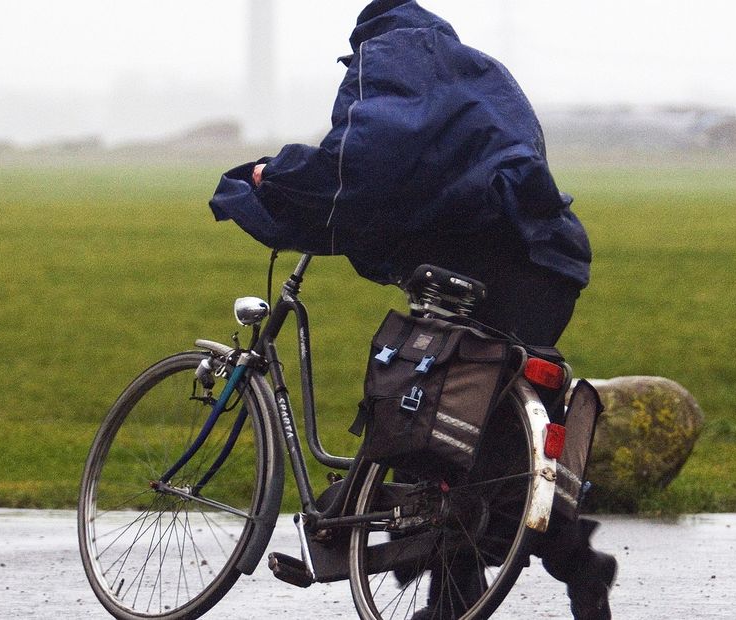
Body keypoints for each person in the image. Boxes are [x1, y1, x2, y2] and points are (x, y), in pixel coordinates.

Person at [210, 1, 616, 618]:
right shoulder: (478, 70)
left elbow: (362, 161)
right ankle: (553, 571)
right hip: (549, 262)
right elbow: (445, 159)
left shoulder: (388, 57)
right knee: (476, 437)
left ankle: (384, 542)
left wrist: (279, 176)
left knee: (424, 410)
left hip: (484, 267)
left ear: (365, 33)